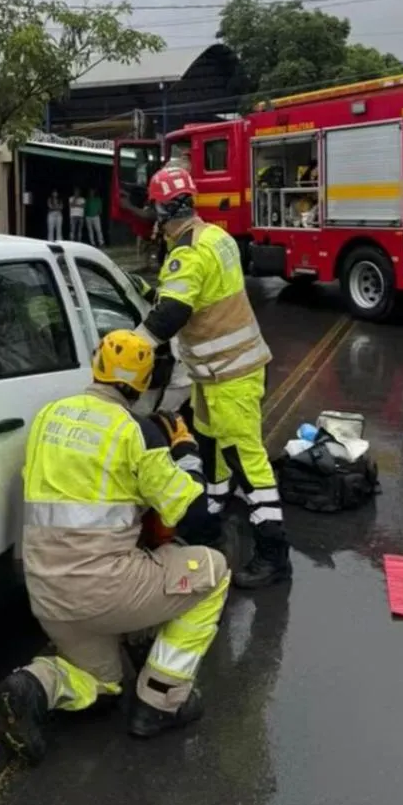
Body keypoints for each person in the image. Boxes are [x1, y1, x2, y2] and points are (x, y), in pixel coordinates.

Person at [0, 330, 230, 764]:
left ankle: (34, 685)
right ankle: (160, 701)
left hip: (45, 592)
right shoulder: (137, 432)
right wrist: (185, 450)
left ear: (96, 364)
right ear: (145, 381)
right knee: (212, 571)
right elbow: (197, 517)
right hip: (103, 591)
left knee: (102, 683)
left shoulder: (49, 416)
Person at [134, 164, 293, 590]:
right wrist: (149, 291)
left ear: (163, 211)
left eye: (155, 211)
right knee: (210, 444)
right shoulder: (215, 237)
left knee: (246, 460)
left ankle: (274, 553)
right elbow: (197, 294)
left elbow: (172, 313)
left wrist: (130, 345)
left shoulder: (187, 253)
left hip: (229, 373)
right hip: (222, 371)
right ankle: (215, 510)